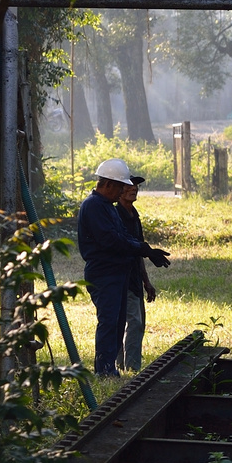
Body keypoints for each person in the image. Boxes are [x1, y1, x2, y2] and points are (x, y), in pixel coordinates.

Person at [77, 159, 170, 377]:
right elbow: (111, 240)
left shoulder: (107, 207)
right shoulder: (94, 206)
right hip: (104, 273)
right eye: (120, 186)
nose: (122, 191)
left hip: (117, 273)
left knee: (118, 323)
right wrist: (143, 249)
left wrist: (145, 250)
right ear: (108, 184)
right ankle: (105, 370)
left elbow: (124, 236)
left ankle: (110, 368)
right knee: (109, 322)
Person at [116, 180, 159, 372]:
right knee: (133, 322)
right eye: (128, 186)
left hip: (134, 278)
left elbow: (139, 250)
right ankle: (130, 369)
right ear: (119, 190)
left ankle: (124, 366)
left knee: (137, 322)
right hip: (119, 277)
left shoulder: (134, 216)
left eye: (136, 186)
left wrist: (146, 282)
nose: (133, 189)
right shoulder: (116, 215)